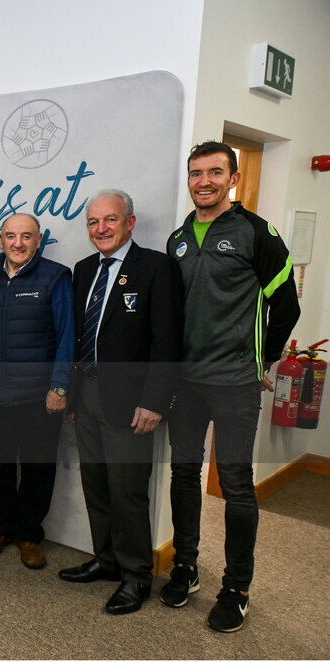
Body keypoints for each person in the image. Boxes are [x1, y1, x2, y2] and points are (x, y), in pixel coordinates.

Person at [163, 141, 300, 632]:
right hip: (186, 382)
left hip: (236, 382)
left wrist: (264, 360)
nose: (205, 181)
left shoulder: (257, 234)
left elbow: (286, 306)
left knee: (238, 485)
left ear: (232, 179)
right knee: (183, 474)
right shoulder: (177, 239)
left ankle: (237, 587)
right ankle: (185, 567)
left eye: (215, 172)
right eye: (196, 173)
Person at [59, 189, 180, 615]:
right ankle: (106, 559)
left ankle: (135, 575)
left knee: (127, 489)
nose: (101, 229)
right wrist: (73, 395)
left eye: (110, 220)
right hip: (88, 393)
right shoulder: (84, 269)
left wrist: (154, 401)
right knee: (96, 482)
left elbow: (167, 340)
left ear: (129, 222)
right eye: (93, 222)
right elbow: (80, 337)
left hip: (132, 401)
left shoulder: (156, 268)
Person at [0, 213, 74, 570]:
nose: (18, 243)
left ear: (38, 240)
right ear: (0, 240)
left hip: (39, 397)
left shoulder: (56, 277)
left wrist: (60, 385)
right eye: (11, 236)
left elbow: (67, 335)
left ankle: (30, 535)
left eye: (26, 237)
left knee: (38, 469)